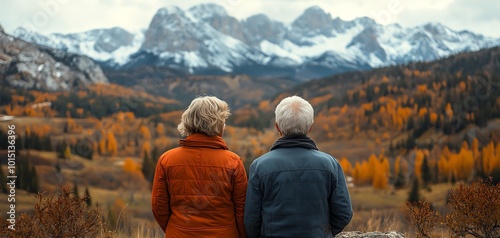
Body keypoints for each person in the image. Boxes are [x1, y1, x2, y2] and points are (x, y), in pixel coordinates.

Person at [244, 95, 353, 238]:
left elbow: (251, 220)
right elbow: (344, 213)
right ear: (310, 127)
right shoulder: (330, 164)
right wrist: (323, 232)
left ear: (277, 127)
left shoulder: (259, 166)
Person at [152, 96, 247, 238]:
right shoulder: (233, 162)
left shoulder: (167, 160)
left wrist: (176, 229)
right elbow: (242, 210)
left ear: (188, 121)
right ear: (219, 125)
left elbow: (159, 208)